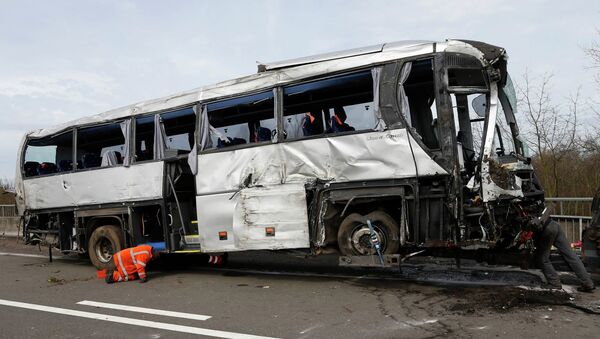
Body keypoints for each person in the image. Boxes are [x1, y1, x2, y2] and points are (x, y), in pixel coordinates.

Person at [533, 209, 595, 292]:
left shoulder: (521, 215)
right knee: (571, 255)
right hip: (554, 224)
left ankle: (554, 283)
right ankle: (588, 283)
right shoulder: (532, 208)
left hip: (547, 230)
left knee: (542, 258)